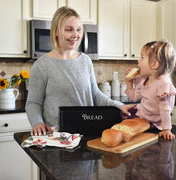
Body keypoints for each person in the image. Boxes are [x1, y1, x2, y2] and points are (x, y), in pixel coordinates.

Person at [26, 6, 134, 136]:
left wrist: (118, 106)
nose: (75, 35)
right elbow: (33, 102)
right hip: (57, 136)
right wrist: (37, 123)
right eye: (69, 29)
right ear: (55, 31)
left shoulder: (85, 61)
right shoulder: (42, 65)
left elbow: (95, 94)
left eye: (78, 30)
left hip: (86, 131)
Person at [125, 40, 176, 140]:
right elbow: (134, 97)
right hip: (142, 119)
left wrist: (166, 130)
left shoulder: (163, 84)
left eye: (142, 57)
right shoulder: (144, 79)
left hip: (154, 125)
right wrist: (129, 83)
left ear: (154, 64)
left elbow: (165, 110)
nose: (138, 61)